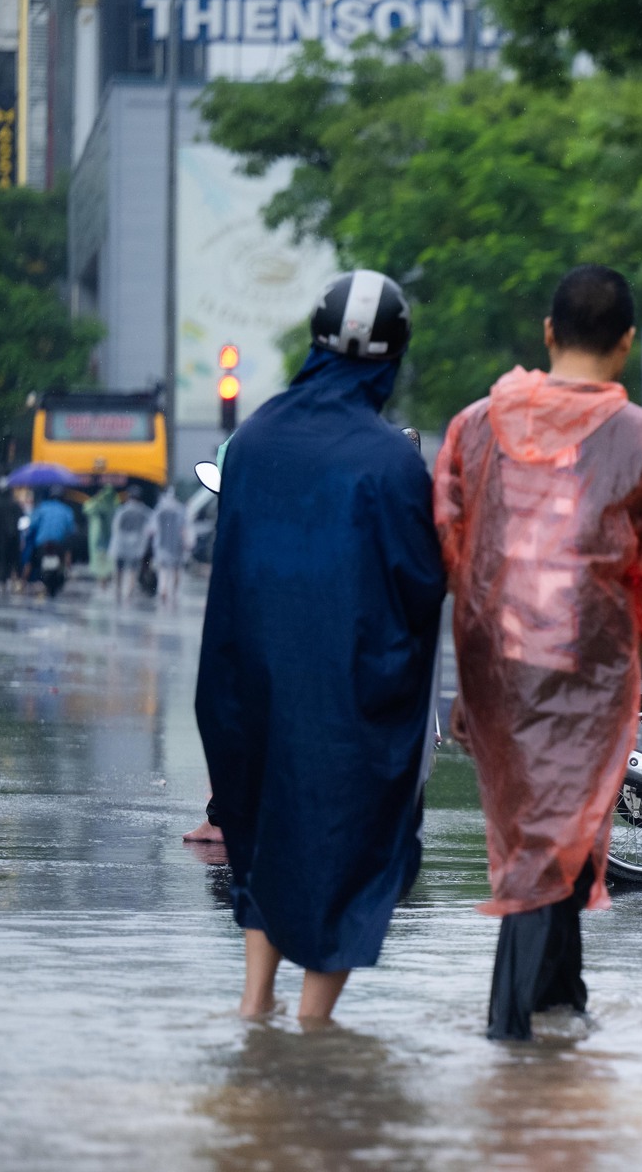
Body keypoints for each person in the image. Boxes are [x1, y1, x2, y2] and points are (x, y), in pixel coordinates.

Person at [436, 265, 642, 1041]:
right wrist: (628, 629)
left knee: (548, 836)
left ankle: (560, 1004)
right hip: (591, 671)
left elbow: (451, 545)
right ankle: (513, 1029)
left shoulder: (473, 426)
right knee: (554, 840)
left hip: (497, 670)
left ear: (549, 333)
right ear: (626, 344)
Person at [196, 268, 447, 1023]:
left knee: (265, 834)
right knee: (353, 846)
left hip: (244, 688)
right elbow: (418, 583)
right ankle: (314, 1020)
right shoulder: (390, 458)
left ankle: (254, 1004)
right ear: (393, 356)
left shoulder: (256, 436)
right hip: (349, 695)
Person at [21, 488, 80, 593]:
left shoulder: (42, 507)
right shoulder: (67, 510)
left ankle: (24, 582)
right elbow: (71, 529)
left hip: (41, 543)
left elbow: (33, 524)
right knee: (65, 561)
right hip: (59, 544)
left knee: (31, 561)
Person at [110, 488, 153, 604]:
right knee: (133, 570)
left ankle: (117, 591)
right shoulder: (145, 511)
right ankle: (129, 593)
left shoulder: (122, 510)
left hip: (121, 544)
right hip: (136, 545)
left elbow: (115, 526)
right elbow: (150, 529)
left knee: (119, 569)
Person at [152, 487, 189, 605]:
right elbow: (183, 528)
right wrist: (186, 542)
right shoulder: (180, 509)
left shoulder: (160, 509)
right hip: (176, 544)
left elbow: (153, 528)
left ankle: (163, 589)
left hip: (162, 544)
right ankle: (174, 591)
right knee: (176, 569)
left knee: (163, 569)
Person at [84, 483, 120, 583]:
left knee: (107, 559)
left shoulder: (113, 504)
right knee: (99, 557)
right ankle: (102, 579)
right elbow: (87, 509)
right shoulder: (96, 503)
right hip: (98, 536)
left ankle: (104, 579)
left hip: (108, 536)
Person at [0, 483, 21, 592]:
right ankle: (4, 579)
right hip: (11, 538)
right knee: (9, 560)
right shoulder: (14, 504)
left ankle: (1, 580)